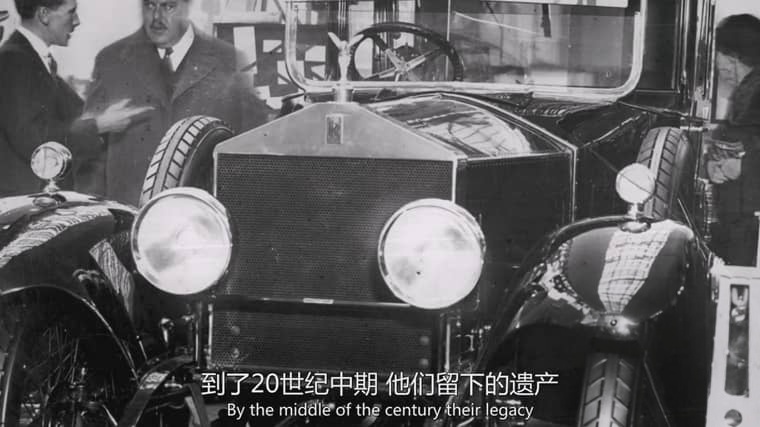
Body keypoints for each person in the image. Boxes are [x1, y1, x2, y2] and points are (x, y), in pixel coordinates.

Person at [84, 0, 263, 206]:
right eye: (150, 5)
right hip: (128, 217)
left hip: (201, 215)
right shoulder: (111, 59)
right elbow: (90, 156)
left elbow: (251, 146)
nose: (157, 18)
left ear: (187, 7)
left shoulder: (229, 59)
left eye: (168, 6)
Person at [0, 0, 148, 197]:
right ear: (44, 15)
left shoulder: (34, 59)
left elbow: (75, 112)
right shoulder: (14, 60)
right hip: (25, 201)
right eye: (71, 12)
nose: (77, 21)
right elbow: (34, 141)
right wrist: (99, 125)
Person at [707, 14, 760, 265]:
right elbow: (731, 139)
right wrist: (712, 164)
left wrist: (742, 167)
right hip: (738, 216)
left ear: (733, 56)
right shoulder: (745, 92)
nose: (719, 67)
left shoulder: (753, 92)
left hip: (750, 223)